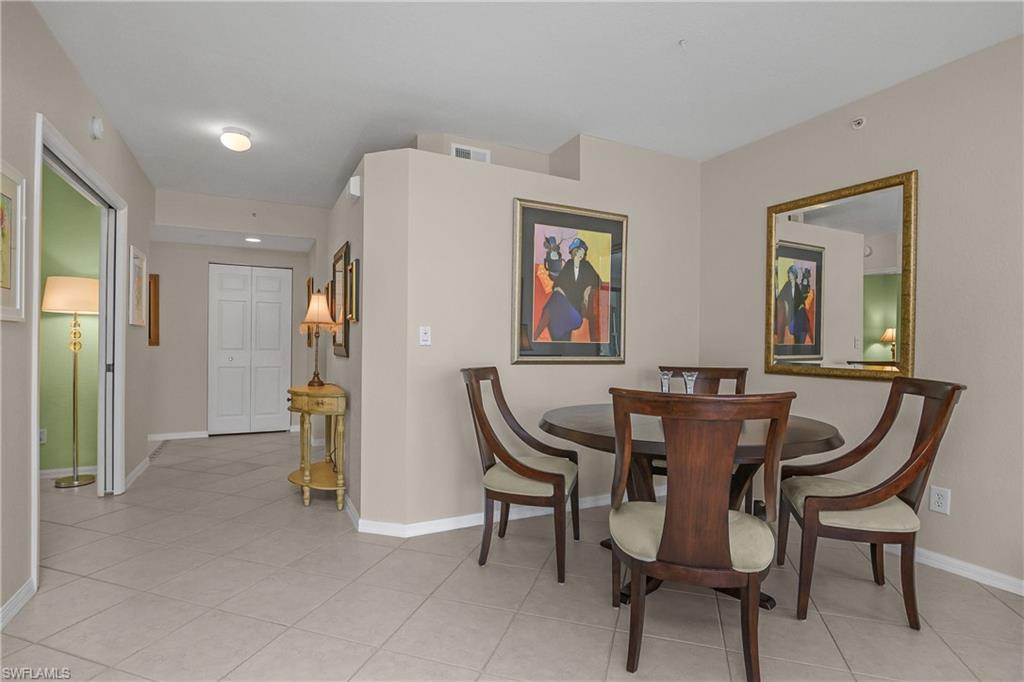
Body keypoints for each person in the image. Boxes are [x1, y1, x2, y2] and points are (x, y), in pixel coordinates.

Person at [538, 237, 602, 341]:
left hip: (577, 309)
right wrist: (559, 290)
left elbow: (598, 281)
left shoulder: (587, 266)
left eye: (583, 251)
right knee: (555, 298)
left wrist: (588, 289)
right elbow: (557, 285)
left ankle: (537, 334)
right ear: (573, 252)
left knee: (552, 304)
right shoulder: (568, 264)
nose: (580, 254)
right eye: (578, 250)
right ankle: (541, 336)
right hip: (565, 304)